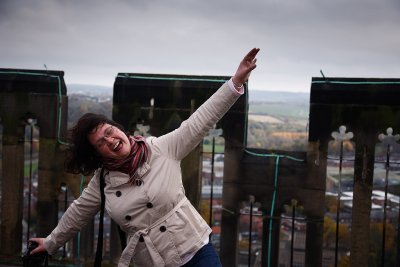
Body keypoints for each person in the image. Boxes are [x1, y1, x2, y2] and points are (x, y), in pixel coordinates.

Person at [30, 48, 260, 267]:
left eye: (109, 132)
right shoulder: (103, 182)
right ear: (97, 153)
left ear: (119, 129)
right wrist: (51, 242)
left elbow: (200, 121)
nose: (110, 140)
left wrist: (235, 83)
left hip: (196, 251)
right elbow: (78, 212)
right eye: (101, 142)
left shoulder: (162, 149)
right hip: (152, 261)